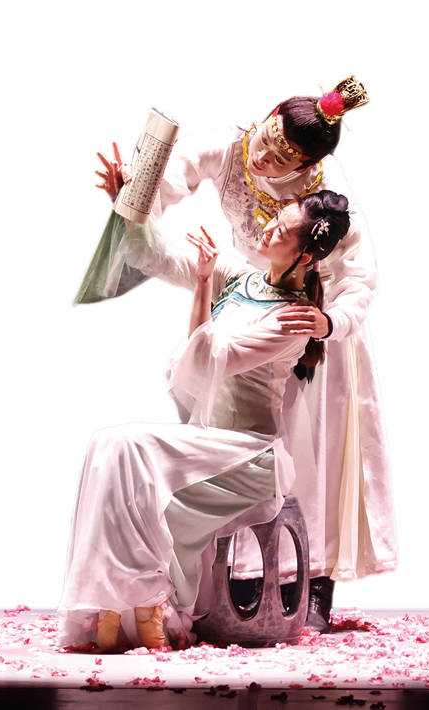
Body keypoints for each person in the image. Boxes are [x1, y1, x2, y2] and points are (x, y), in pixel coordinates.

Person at [77, 77, 397, 632]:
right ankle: (222, 583)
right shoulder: (233, 158)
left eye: (282, 159)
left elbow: (357, 278)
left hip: (308, 321)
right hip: (249, 298)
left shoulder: (323, 200)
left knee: (314, 450)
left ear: (307, 167)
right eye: (267, 140)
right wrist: (132, 199)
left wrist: (328, 322)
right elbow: (169, 190)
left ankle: (307, 581)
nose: (264, 159)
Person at [59, 191, 352, 652]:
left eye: (282, 229)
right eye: (275, 218)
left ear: (305, 256)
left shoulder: (292, 321)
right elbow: (163, 260)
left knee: (127, 446)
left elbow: (206, 359)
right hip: (207, 442)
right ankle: (116, 603)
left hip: (250, 457)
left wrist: (202, 284)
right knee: (108, 446)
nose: (268, 228)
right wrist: (131, 206)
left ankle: (142, 601)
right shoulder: (240, 278)